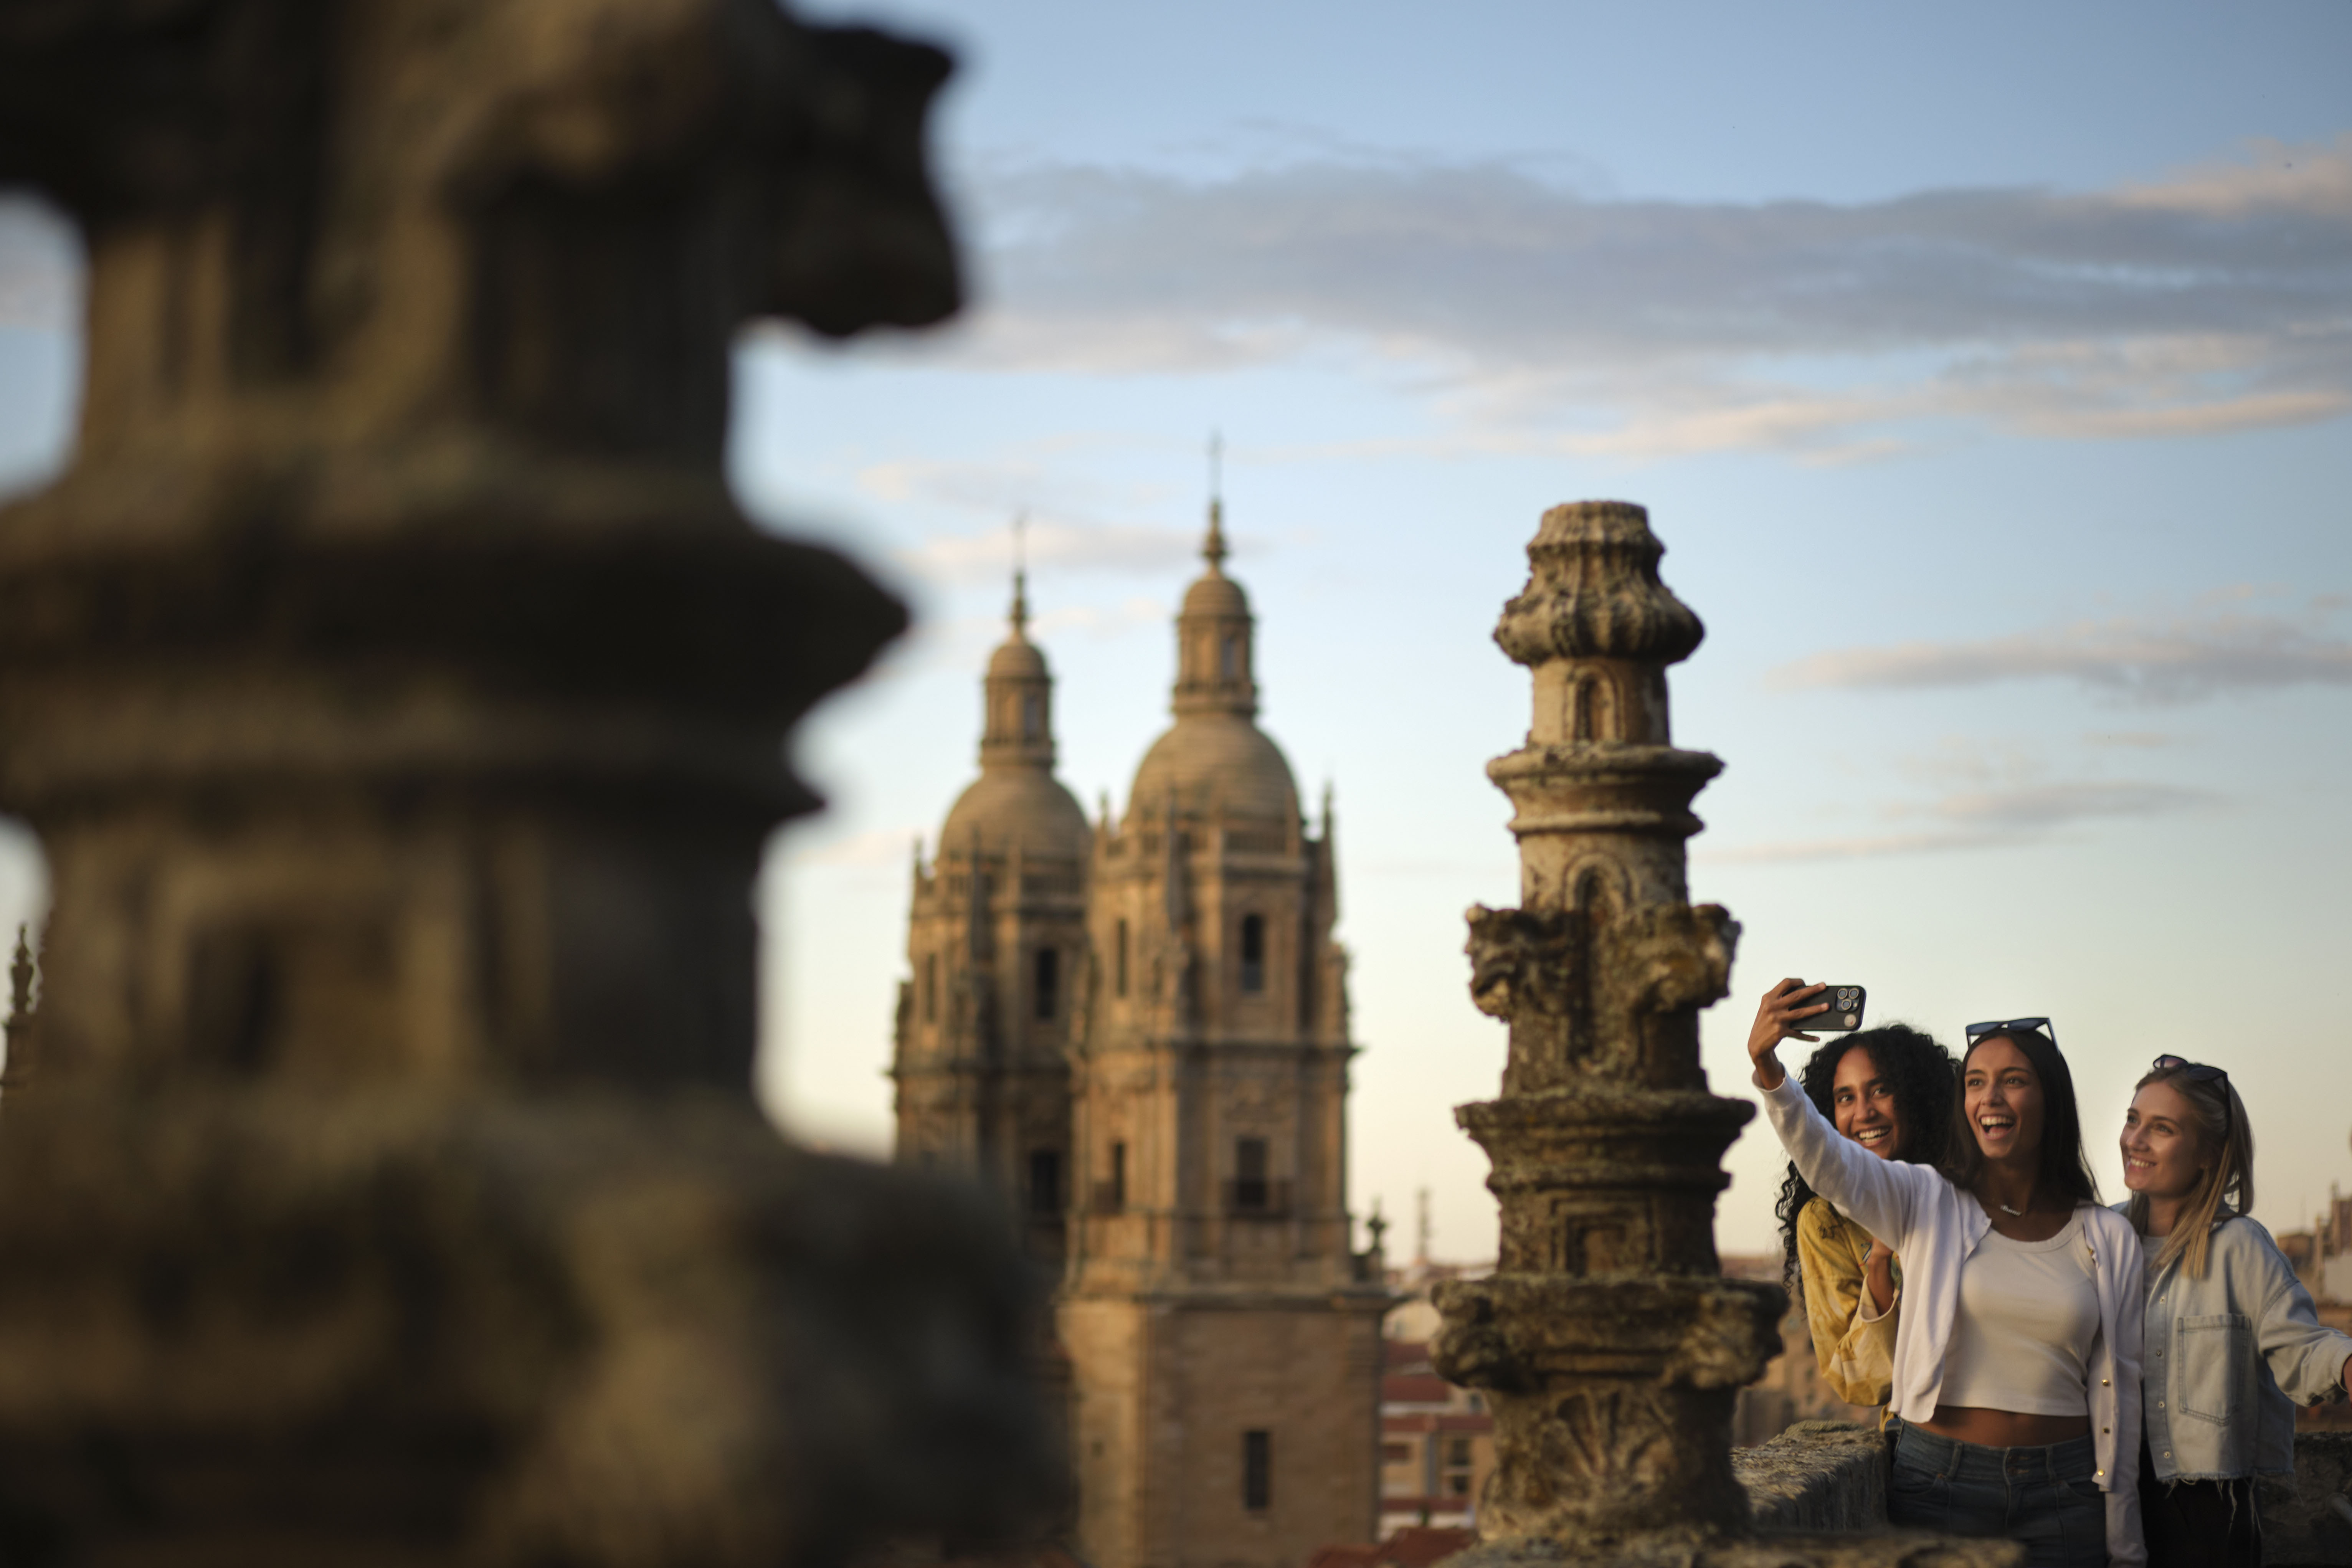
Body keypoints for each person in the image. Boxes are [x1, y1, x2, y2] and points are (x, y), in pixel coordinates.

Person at [1749, 981, 2144, 1568]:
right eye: (1976, 1081)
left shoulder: (2109, 1236)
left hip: (2068, 1491)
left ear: (2051, 1099)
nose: (1991, 1097)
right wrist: (1769, 1069)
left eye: (2013, 1079)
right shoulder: (1926, 1198)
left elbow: (2123, 1395)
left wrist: (2127, 1542)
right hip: (1941, 1483)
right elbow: (1830, 1162)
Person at [2120, 1056, 2352, 1567]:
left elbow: (2300, 1344)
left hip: (2207, 1518)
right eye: (2133, 1119)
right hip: (2104, 1500)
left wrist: (2345, 1362)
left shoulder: (2241, 1245)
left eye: (2161, 1128)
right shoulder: (2101, 1237)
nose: (2135, 1139)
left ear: (2208, 1153)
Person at [1772, 1024, 1957, 1415]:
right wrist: (1880, 1262)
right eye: (1845, 1097)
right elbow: (1858, 1379)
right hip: (1923, 1438)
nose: (1863, 1112)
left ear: (1917, 1097)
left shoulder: (1967, 1191)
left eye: (1880, 1090)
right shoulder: (1825, 1221)